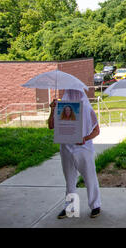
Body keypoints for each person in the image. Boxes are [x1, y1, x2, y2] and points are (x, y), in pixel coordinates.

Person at [48, 89, 101, 219]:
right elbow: (51, 126)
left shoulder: (87, 110)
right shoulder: (60, 109)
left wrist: (85, 138)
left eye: (76, 94)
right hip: (66, 148)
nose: (73, 96)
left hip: (84, 149)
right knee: (70, 180)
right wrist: (53, 110)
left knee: (90, 177)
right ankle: (70, 208)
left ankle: (95, 205)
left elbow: (97, 130)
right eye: (70, 94)